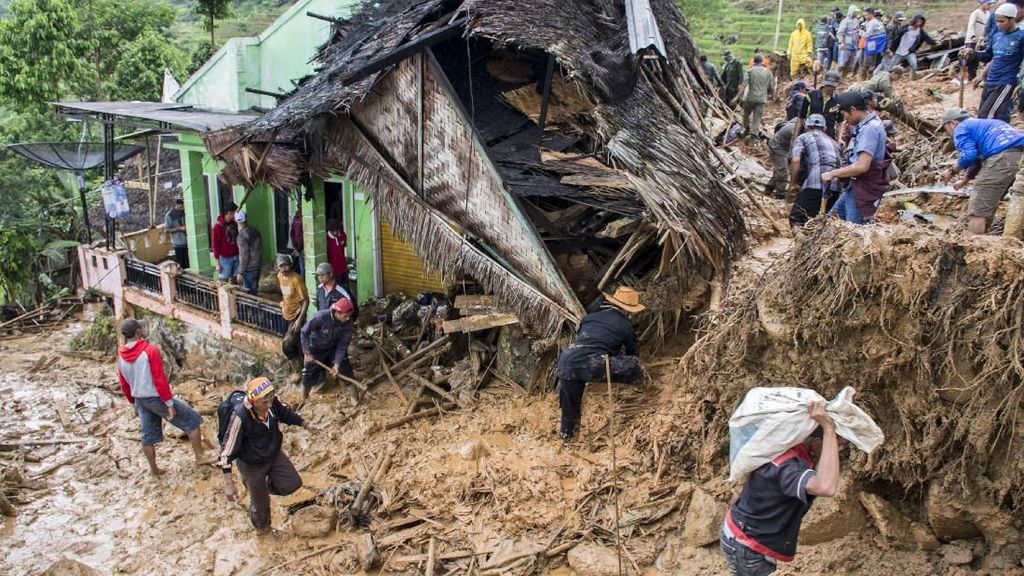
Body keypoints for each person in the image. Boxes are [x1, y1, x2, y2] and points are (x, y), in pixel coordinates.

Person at [720, 401, 841, 575]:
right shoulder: (788, 467)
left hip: (738, 534)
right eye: (835, 445)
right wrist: (829, 429)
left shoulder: (782, 449)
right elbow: (826, 487)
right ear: (815, 441)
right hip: (747, 547)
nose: (836, 450)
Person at [220, 377, 320, 532]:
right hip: (251, 463)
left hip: (272, 453)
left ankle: (262, 486)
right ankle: (263, 530)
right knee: (261, 508)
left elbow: (286, 414)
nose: (269, 405)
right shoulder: (240, 417)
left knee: (292, 484)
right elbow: (226, 451)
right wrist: (229, 483)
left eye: (270, 399)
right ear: (253, 402)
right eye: (264, 403)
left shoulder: (273, 403)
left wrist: (307, 425)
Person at [117, 318, 207, 476]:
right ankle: (200, 456)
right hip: (155, 397)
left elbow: (124, 385)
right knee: (193, 421)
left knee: (147, 436)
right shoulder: (149, 351)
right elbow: (159, 379)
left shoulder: (121, 357)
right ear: (138, 332)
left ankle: (154, 469)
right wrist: (169, 403)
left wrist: (134, 403)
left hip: (140, 399)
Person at [554, 286, 644, 441]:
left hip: (566, 362)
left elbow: (586, 341)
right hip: (592, 363)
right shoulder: (626, 325)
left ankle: (568, 442)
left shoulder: (589, 318)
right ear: (628, 310)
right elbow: (633, 355)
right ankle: (644, 392)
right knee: (634, 365)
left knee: (571, 412)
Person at [939, 107, 1024, 235]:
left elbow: (969, 155)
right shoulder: (985, 124)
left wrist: (951, 171)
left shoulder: (961, 128)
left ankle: (974, 247)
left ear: (953, 123)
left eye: (945, 129)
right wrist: (965, 180)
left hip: (1004, 156)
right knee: (1016, 195)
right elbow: (978, 159)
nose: (948, 133)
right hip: (1018, 152)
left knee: (978, 206)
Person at [822, 91, 890, 224]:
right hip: (854, 187)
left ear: (853, 110)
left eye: (845, 114)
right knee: (831, 224)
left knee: (853, 234)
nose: (845, 118)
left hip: (863, 191)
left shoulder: (869, 129)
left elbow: (862, 166)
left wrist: (832, 173)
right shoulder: (868, 124)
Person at [789, 114, 845, 226]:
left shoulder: (803, 137)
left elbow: (795, 160)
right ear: (824, 129)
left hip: (816, 183)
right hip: (836, 186)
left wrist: (793, 183)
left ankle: (801, 242)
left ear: (806, 127)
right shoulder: (834, 142)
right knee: (825, 223)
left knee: (797, 218)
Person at [972, 3, 1024, 122]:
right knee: (998, 117)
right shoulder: (997, 36)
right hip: (990, 81)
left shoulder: (1020, 37)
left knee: (985, 117)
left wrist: (1021, 86)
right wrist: (973, 54)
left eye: (1002, 21)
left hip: (1005, 82)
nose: (998, 24)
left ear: (1012, 19)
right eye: (997, 21)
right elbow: (988, 56)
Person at [299, 298, 356, 401]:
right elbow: (304, 332)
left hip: (333, 348)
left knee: (345, 369)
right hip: (315, 348)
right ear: (337, 312)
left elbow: (343, 344)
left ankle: (355, 398)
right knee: (308, 373)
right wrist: (307, 353)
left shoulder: (348, 323)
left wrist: (337, 364)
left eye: (349, 316)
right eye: (345, 316)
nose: (348, 319)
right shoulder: (320, 317)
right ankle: (304, 398)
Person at [277, 254, 308, 360]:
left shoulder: (296, 279)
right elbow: (285, 293)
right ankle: (296, 362)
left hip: (296, 314)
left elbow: (305, 300)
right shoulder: (279, 276)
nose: (284, 269)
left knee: (288, 343)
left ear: (290, 265)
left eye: (286, 266)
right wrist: (284, 303)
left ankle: (298, 363)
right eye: (281, 266)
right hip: (286, 313)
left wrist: (299, 320)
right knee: (288, 340)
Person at [740, 54, 777, 140]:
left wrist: (739, 96)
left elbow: (744, 84)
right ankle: (753, 135)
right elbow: (771, 86)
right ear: (762, 61)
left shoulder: (750, 71)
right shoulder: (767, 72)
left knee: (746, 114)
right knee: (757, 118)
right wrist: (772, 95)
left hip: (750, 98)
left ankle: (747, 128)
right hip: (761, 99)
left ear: (753, 61)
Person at [889, 14, 936, 79]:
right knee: (891, 65)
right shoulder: (907, 27)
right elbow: (898, 33)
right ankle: (889, 77)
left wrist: (934, 43)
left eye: (921, 22)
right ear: (915, 20)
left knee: (914, 65)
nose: (919, 23)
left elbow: (926, 38)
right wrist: (907, 29)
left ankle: (912, 78)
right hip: (899, 51)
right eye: (918, 21)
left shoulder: (920, 31)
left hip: (910, 51)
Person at [766, 119, 798, 199]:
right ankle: (780, 194)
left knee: (780, 169)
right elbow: (795, 150)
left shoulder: (799, 123)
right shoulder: (796, 131)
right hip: (777, 147)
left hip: (784, 146)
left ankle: (769, 188)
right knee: (783, 172)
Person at [964, 1, 995, 81]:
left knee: (979, 57)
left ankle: (977, 76)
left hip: (981, 40)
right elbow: (971, 25)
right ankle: (970, 76)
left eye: (990, 4)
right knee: (970, 57)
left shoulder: (988, 14)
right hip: (973, 40)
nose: (989, 6)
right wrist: (973, 36)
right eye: (988, 4)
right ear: (982, 3)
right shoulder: (976, 13)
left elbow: (988, 28)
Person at [809, 70, 843, 139]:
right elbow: (801, 117)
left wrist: (839, 139)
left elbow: (840, 122)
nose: (829, 88)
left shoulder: (838, 100)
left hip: (828, 137)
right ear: (824, 83)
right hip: (810, 135)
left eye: (832, 86)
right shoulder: (811, 96)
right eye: (828, 85)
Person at [235, 210, 262, 295]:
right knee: (254, 291)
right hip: (257, 265)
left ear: (236, 221)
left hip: (249, 269)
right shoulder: (255, 231)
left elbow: (244, 256)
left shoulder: (242, 236)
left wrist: (241, 272)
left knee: (249, 295)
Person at [211, 201, 239, 282]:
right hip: (225, 258)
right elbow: (215, 246)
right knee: (224, 281)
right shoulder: (217, 227)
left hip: (236, 256)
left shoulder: (234, 224)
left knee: (235, 280)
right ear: (229, 213)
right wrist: (217, 264)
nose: (236, 215)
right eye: (235, 213)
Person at [164, 198, 188, 269]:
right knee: (180, 264)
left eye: (182, 207)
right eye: (180, 207)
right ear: (176, 205)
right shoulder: (170, 215)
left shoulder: (185, 212)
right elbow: (166, 230)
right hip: (178, 243)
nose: (181, 209)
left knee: (188, 263)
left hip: (188, 242)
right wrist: (179, 229)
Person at [837, 5, 860, 76]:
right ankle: (839, 75)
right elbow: (840, 33)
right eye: (855, 12)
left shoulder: (856, 21)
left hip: (854, 44)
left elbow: (857, 31)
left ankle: (847, 76)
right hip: (846, 44)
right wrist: (841, 42)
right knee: (843, 61)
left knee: (852, 62)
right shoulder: (845, 21)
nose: (856, 14)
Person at [326, 218, 349, 289]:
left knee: (345, 288)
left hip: (343, 267)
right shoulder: (326, 239)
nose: (336, 233)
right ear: (329, 230)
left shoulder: (342, 235)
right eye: (333, 231)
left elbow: (344, 245)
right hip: (333, 271)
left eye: (337, 230)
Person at [290, 205, 304, 278]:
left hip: (299, 247)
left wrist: (296, 247)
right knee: (302, 268)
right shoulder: (300, 217)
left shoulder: (296, 217)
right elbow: (293, 232)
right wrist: (297, 248)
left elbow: (292, 232)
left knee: (300, 267)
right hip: (300, 247)